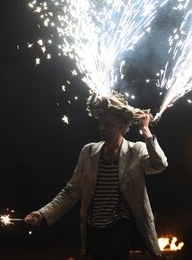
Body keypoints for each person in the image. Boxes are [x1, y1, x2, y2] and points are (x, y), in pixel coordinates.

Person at [24, 93, 168, 259]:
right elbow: (71, 191)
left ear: (121, 126)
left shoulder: (136, 150)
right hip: (94, 227)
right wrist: (43, 213)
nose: (102, 128)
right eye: (100, 123)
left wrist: (146, 130)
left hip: (120, 227)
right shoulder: (89, 151)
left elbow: (159, 164)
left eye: (108, 124)